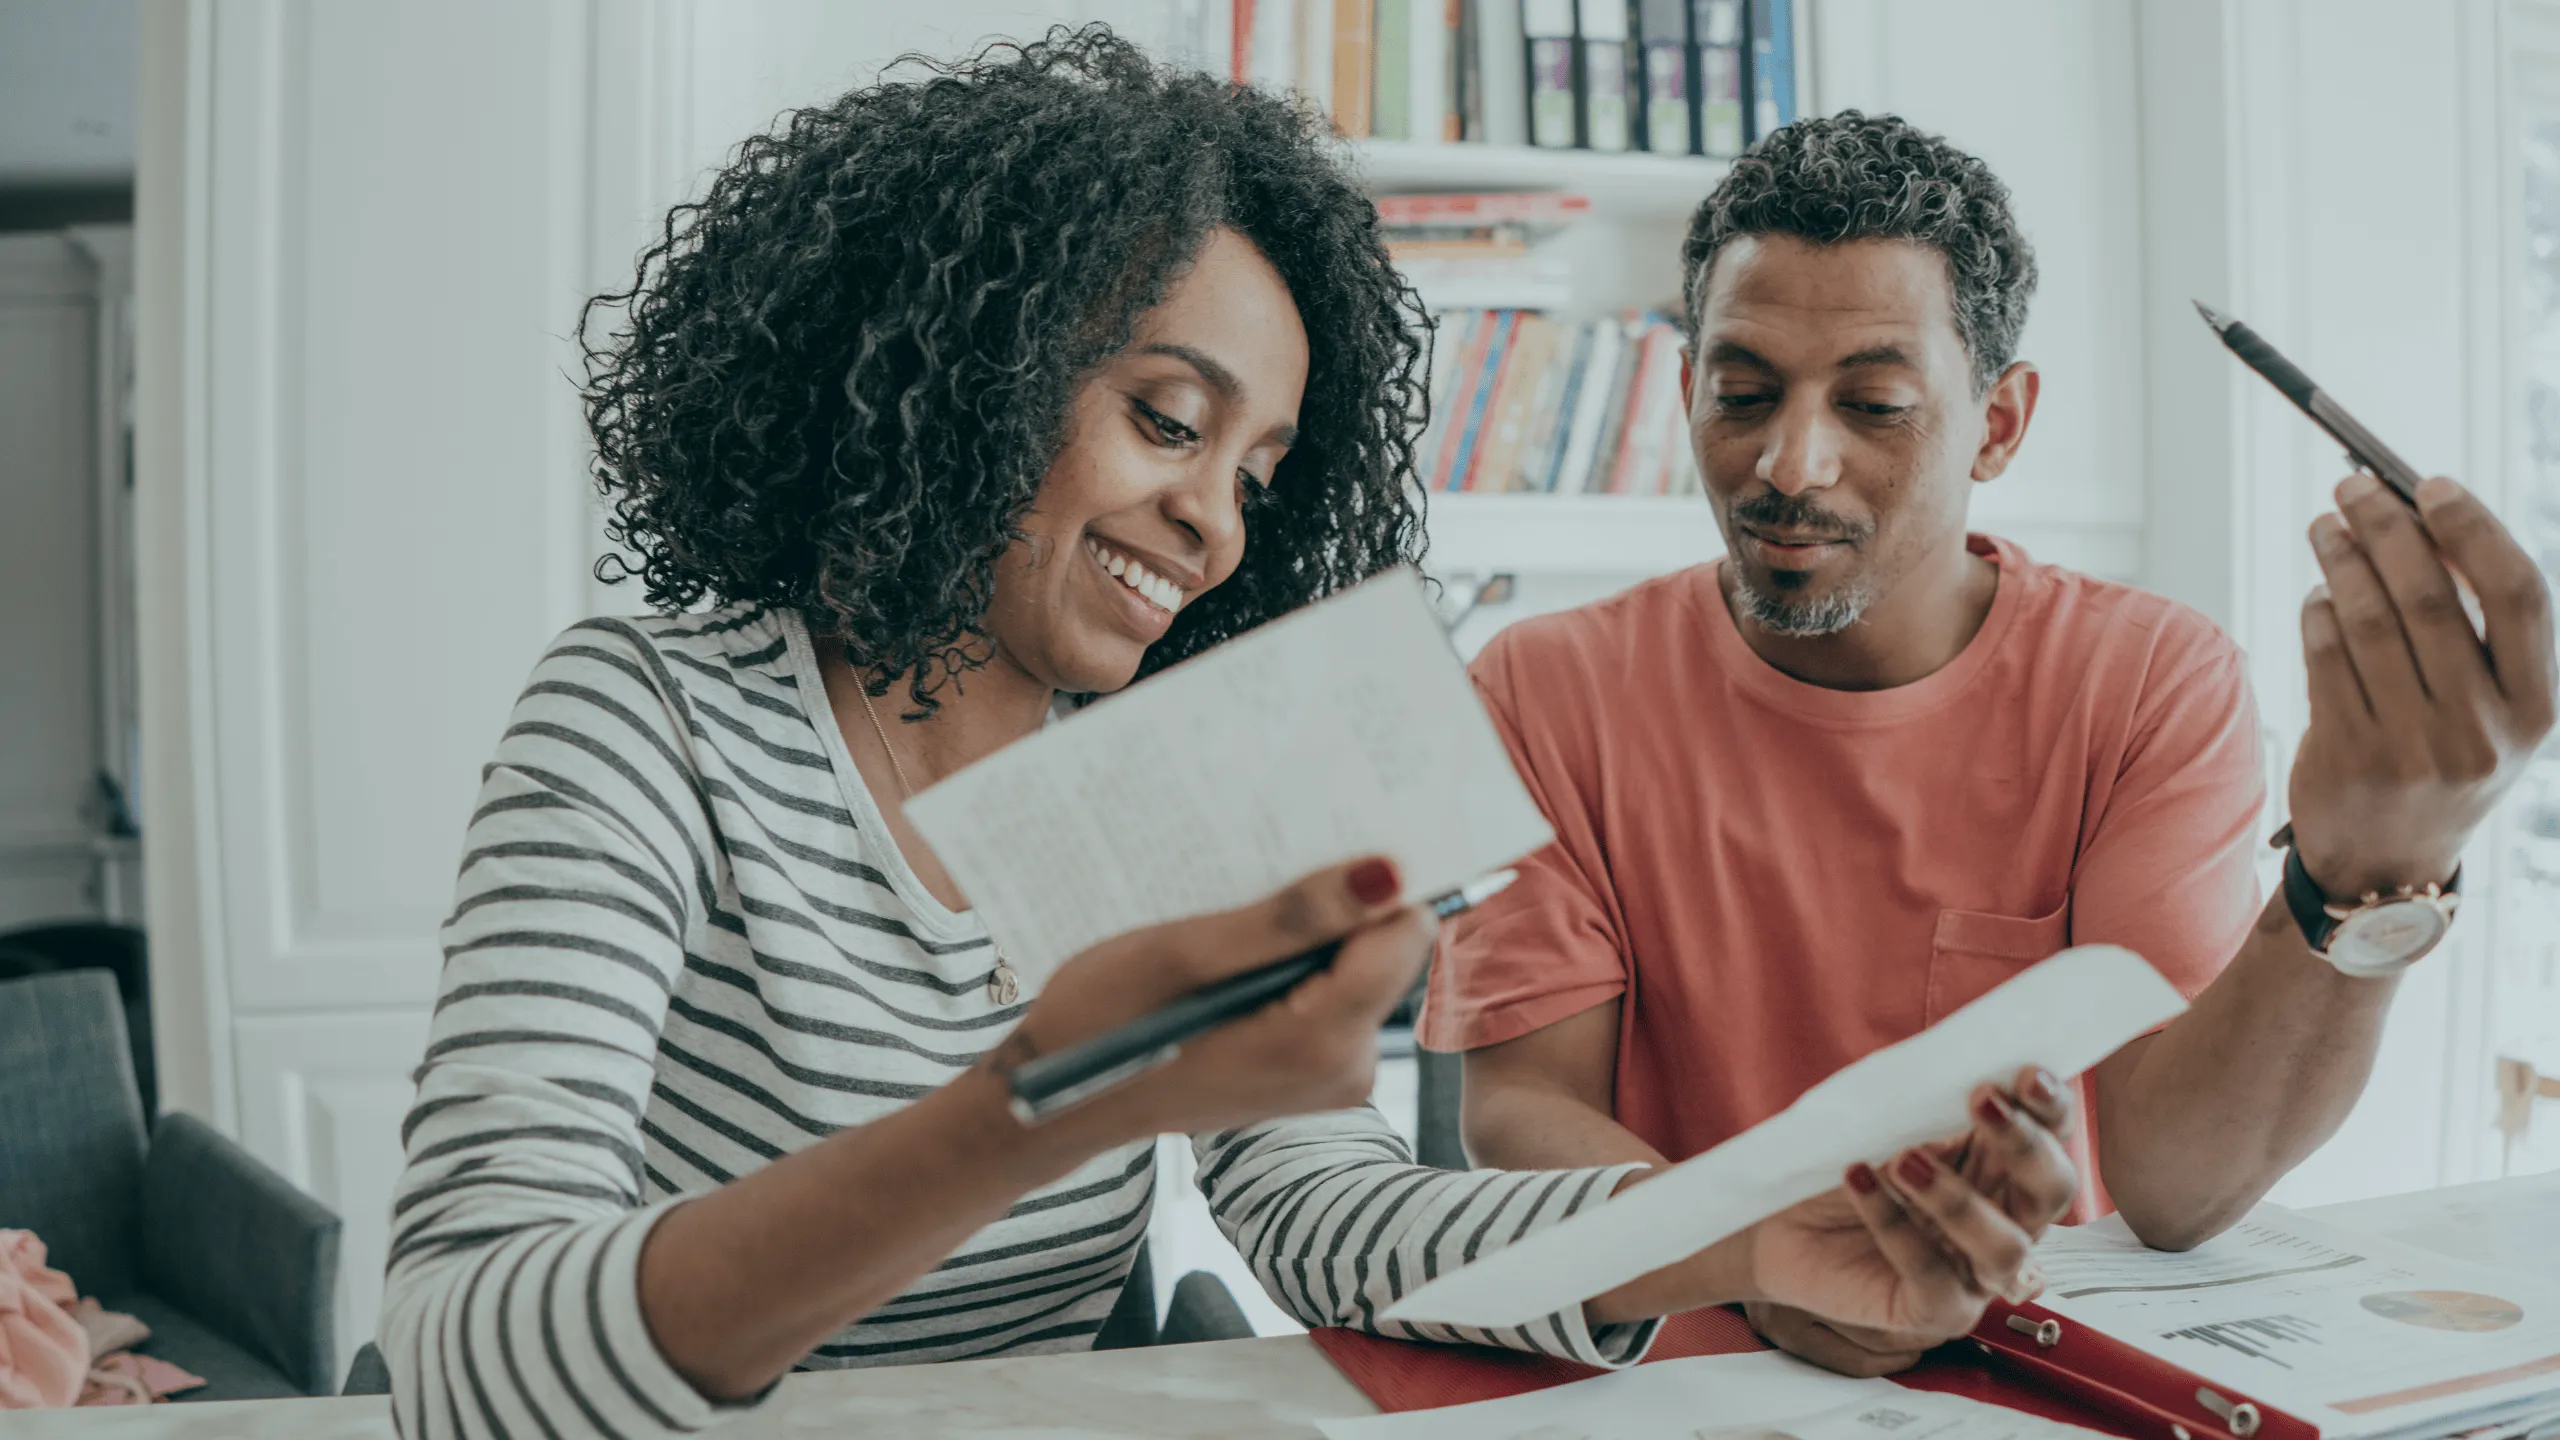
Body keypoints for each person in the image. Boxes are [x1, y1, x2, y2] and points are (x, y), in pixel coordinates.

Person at [379, 39, 2076, 1440]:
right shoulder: (648, 719)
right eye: (1167, 421)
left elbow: (1343, 1221)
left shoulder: (1196, 769)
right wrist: (1042, 1105)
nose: (1216, 529)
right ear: (970, 367)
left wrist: (1739, 1232)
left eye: (1262, 474)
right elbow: (461, 1347)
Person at [1425, 110, 2557, 1378]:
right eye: (1741, 394)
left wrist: (2358, 874)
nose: (1789, 464)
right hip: (1674, 1365)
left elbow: (2174, 1190)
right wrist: (1751, 1255)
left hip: (2014, 1370)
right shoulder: (1540, 684)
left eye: (1874, 404)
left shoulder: (2142, 680)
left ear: (1999, 425)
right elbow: (1521, 1103)